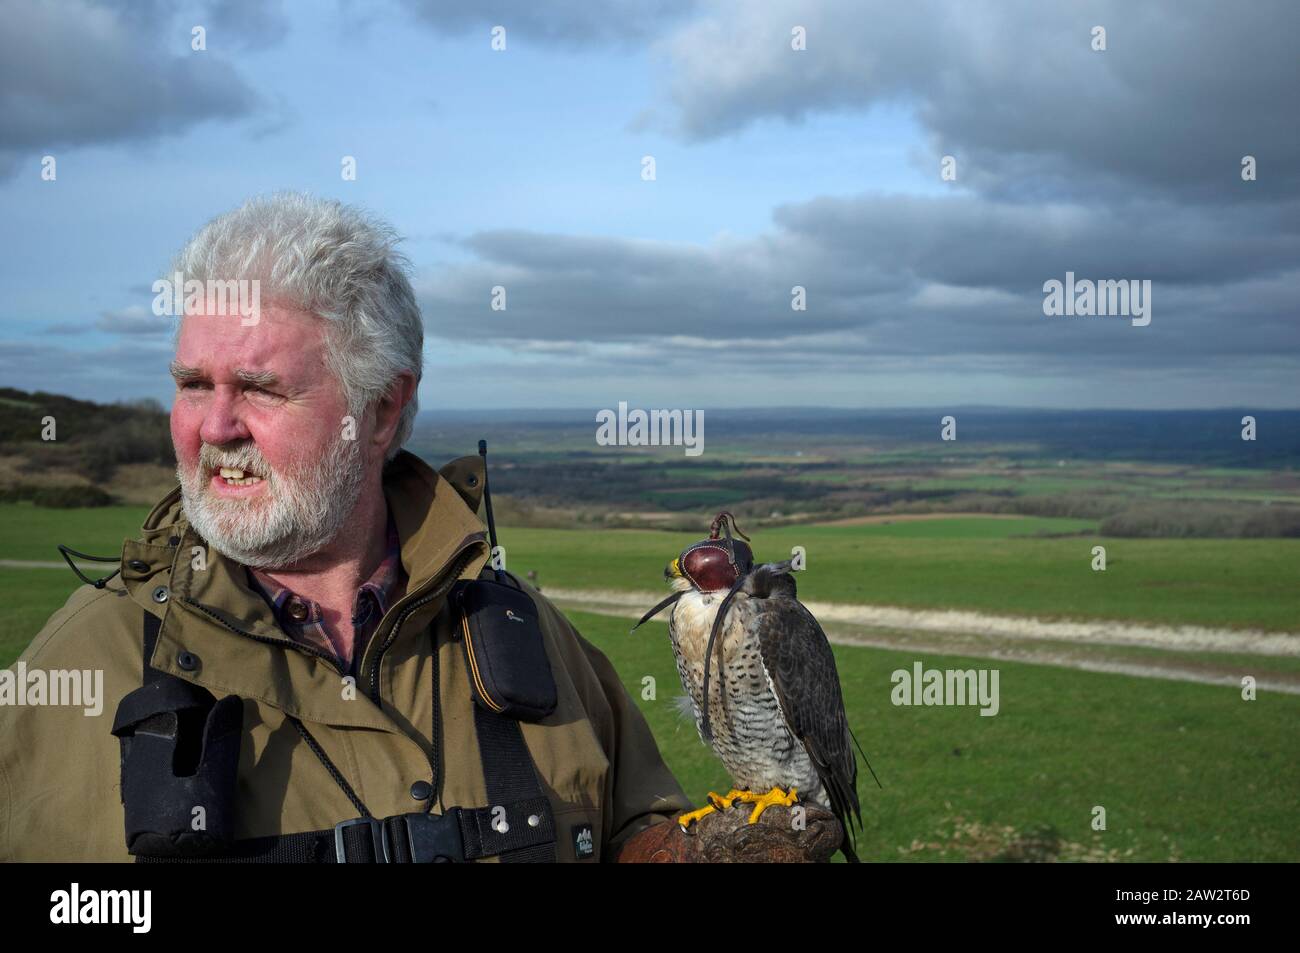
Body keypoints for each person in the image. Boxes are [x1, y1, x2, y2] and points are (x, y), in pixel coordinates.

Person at [0, 193, 701, 863]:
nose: (214, 426)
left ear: (382, 409)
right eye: (192, 385)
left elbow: (638, 824)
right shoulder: (84, 663)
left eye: (258, 386)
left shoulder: (527, 635)